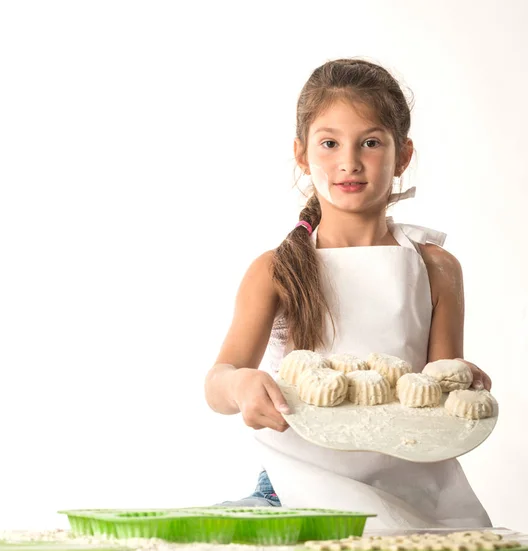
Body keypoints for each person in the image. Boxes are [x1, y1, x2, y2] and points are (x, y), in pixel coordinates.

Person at [203, 58, 494, 528]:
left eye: (371, 142)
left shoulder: (436, 268)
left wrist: (456, 382)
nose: (349, 161)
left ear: (403, 155)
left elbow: (438, 399)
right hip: (297, 489)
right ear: (302, 154)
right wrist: (239, 385)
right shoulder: (276, 270)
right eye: (330, 143)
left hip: (413, 491)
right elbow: (218, 382)